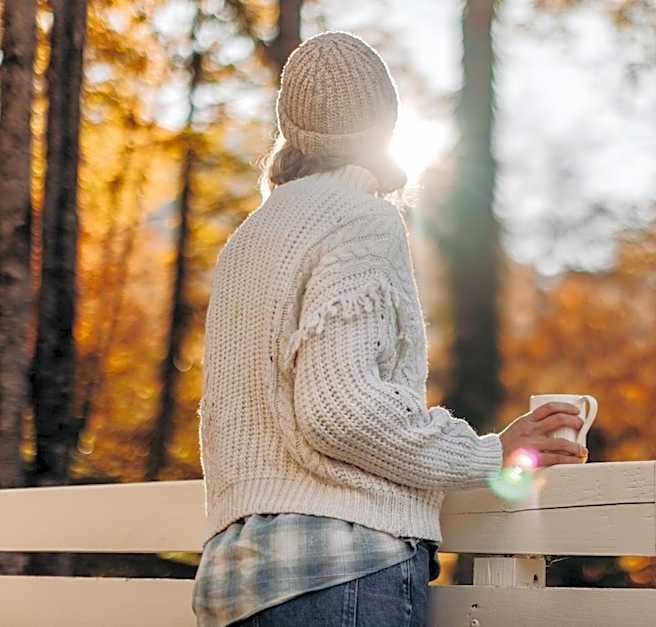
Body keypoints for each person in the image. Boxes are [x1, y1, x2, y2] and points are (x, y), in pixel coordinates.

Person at [191, 30, 588, 627]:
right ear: (384, 126)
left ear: (292, 128)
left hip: (235, 580)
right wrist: (490, 453)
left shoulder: (248, 240)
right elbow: (339, 410)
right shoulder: (361, 218)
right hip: (340, 571)